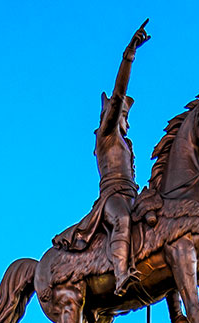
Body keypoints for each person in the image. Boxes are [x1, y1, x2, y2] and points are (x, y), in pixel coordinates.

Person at [53, 21, 151, 294]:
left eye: (126, 116)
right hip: (113, 198)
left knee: (165, 229)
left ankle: (176, 309)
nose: (125, 118)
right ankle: (120, 275)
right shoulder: (107, 134)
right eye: (122, 113)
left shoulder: (127, 144)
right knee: (122, 220)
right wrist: (128, 56)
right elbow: (119, 93)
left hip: (132, 195)